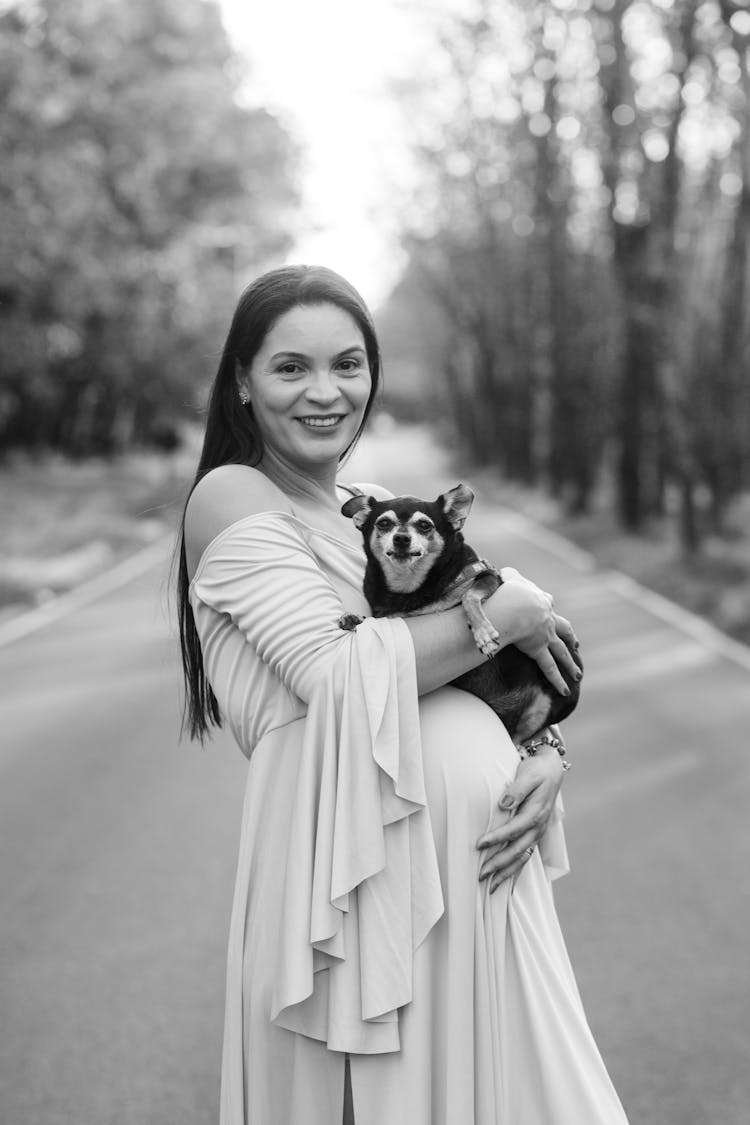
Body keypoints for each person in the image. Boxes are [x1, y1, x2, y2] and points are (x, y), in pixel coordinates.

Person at [176, 264, 629, 1125]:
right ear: (241, 380)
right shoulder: (232, 495)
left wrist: (541, 752)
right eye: (290, 367)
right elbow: (336, 675)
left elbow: (471, 673)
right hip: (342, 860)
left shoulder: (377, 507)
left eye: (348, 364)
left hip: (481, 866)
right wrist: (508, 609)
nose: (325, 391)